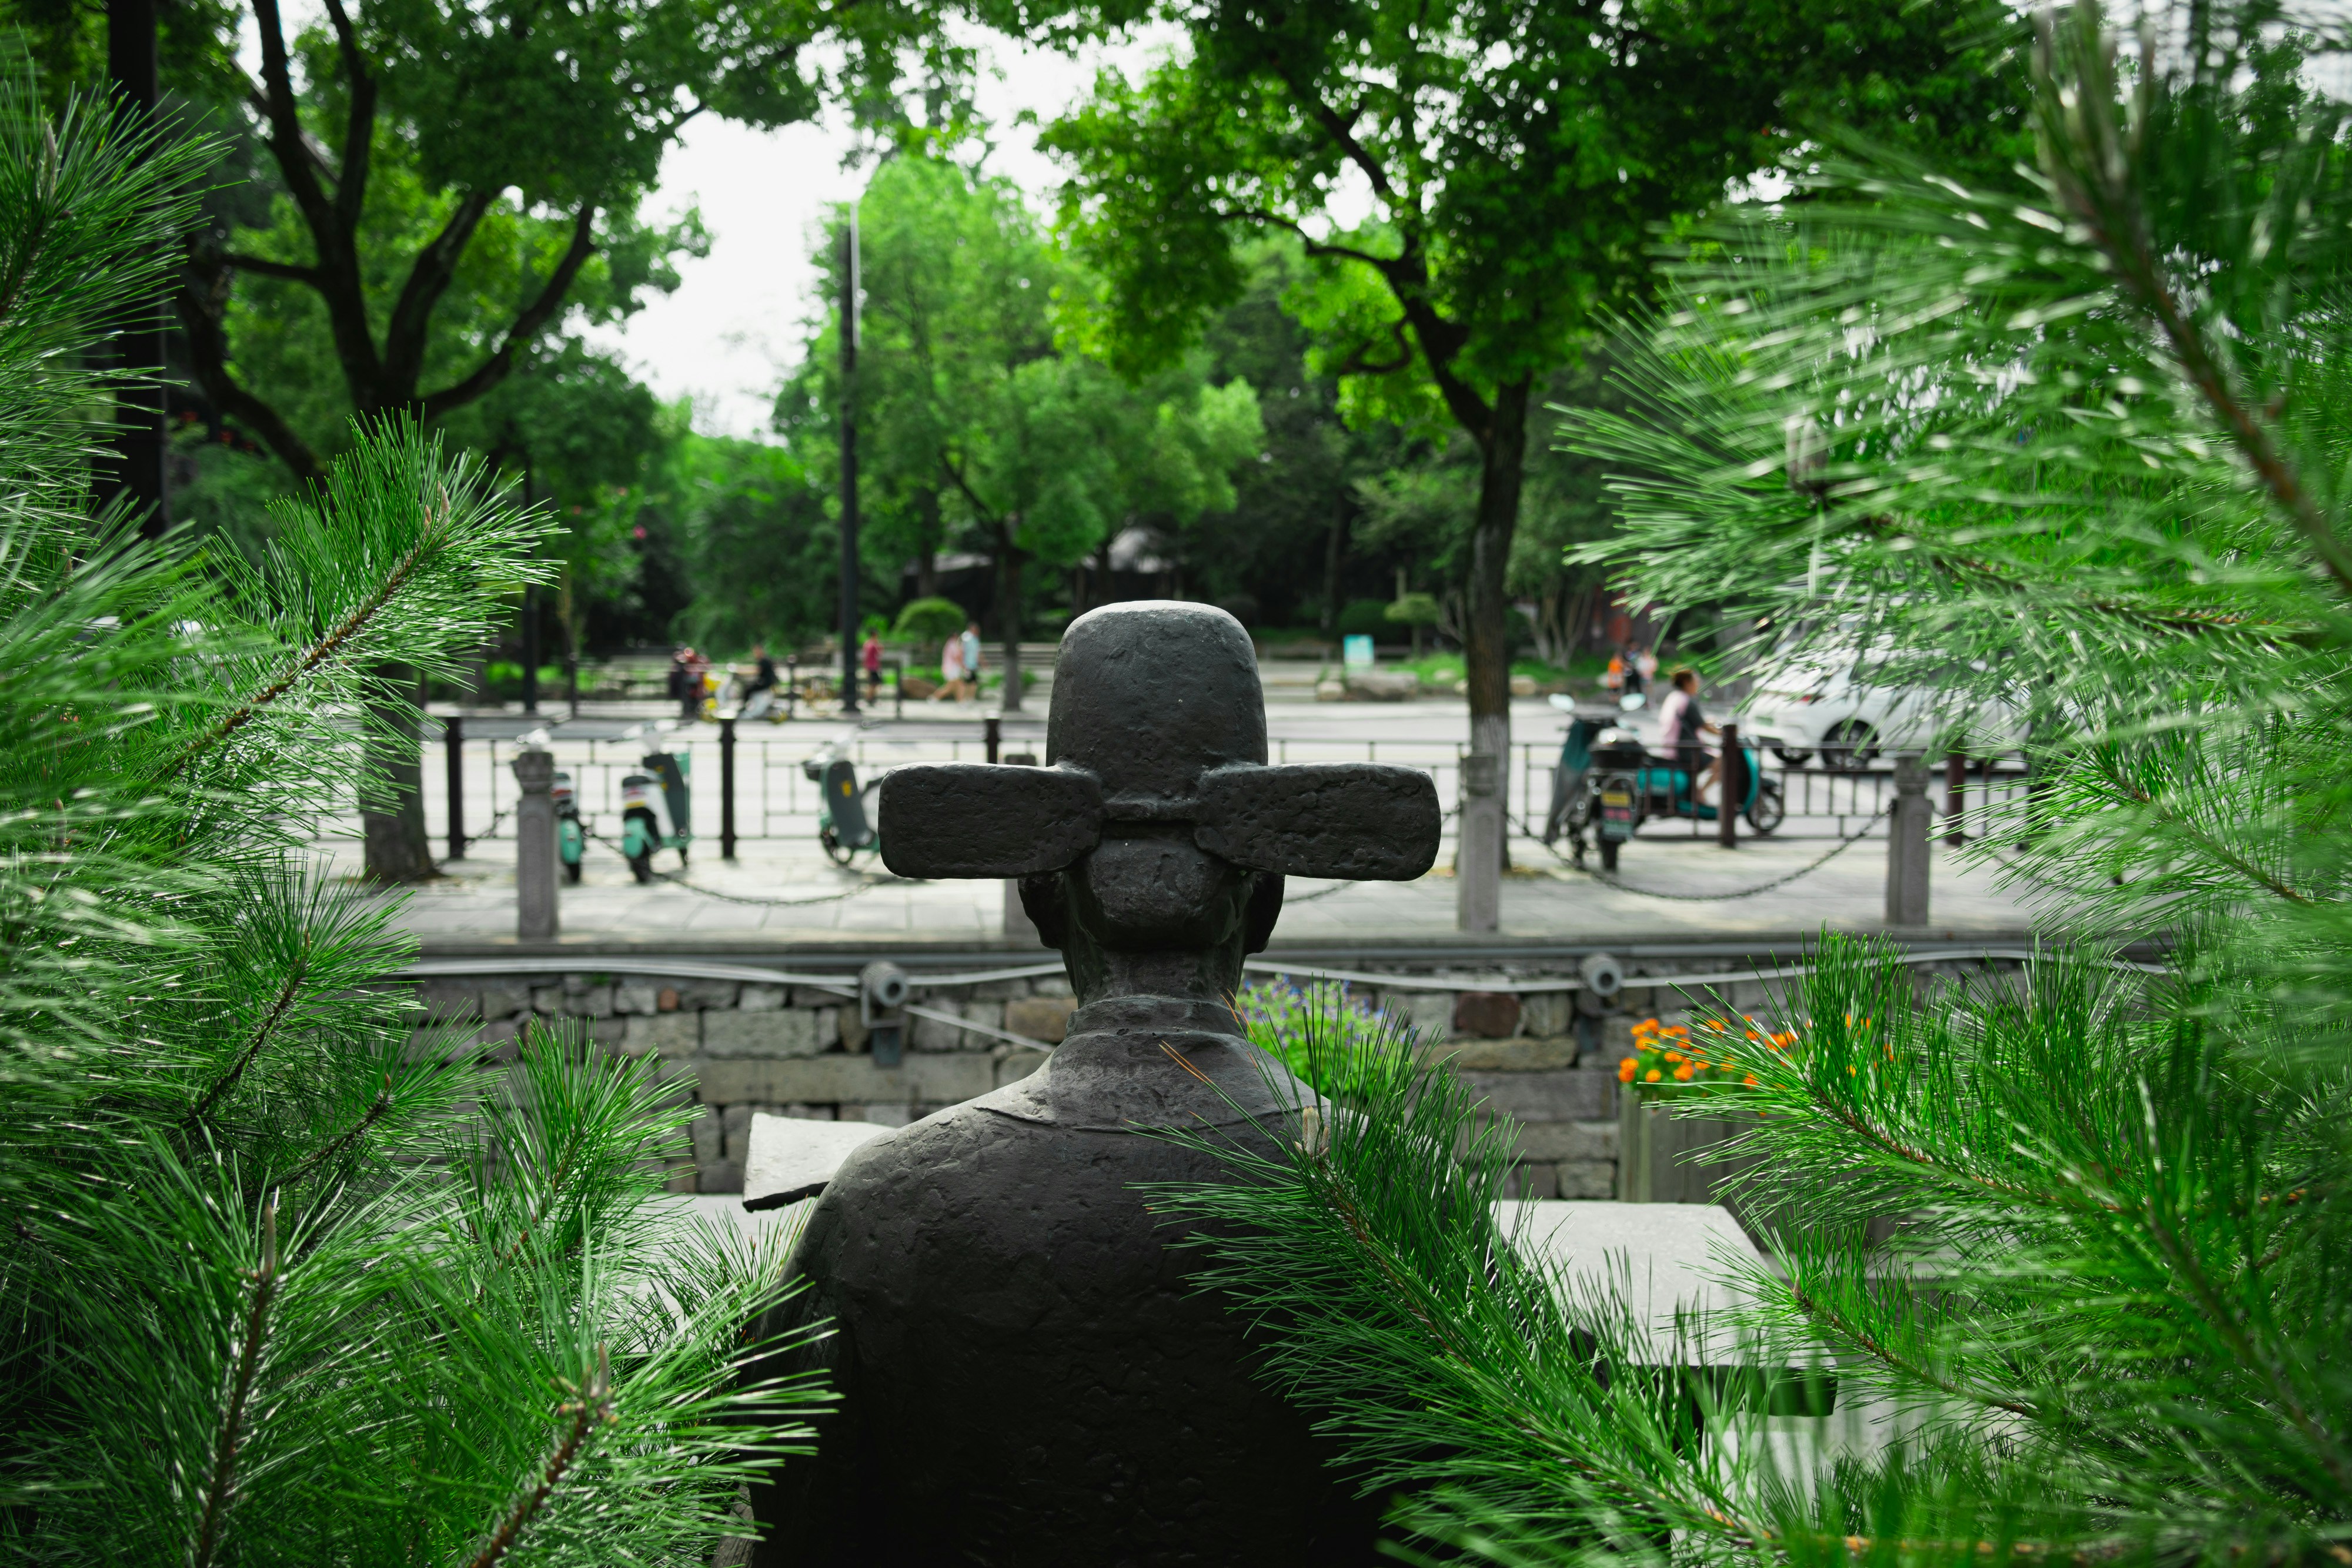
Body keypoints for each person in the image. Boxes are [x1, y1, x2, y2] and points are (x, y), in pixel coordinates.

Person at [1653, 667, 1721, 803]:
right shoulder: (1687, 701)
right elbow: (1703, 725)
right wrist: (1725, 734)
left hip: (1672, 748)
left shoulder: (1674, 697)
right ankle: (1701, 793)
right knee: (1722, 762)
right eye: (1696, 681)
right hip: (1686, 751)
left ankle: (1695, 793)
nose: (1698, 684)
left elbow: (1688, 721)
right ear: (1687, 683)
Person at [932, 628, 964, 701]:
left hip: (952, 669)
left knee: (955, 686)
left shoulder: (951, 644)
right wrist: (963, 666)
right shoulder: (952, 644)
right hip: (951, 669)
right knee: (954, 686)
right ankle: (935, 697)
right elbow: (956, 657)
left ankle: (960, 701)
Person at [960, 621, 983, 701]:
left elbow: (977, 653)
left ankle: (970, 698)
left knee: (973, 682)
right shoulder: (966, 638)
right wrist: (962, 663)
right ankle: (964, 699)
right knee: (966, 683)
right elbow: (962, 651)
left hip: (973, 664)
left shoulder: (975, 639)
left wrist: (982, 662)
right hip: (967, 664)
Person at [861, 629, 883, 704]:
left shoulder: (867, 644)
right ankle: (869, 698)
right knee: (874, 683)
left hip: (869, 666)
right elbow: (880, 653)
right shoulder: (873, 645)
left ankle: (871, 697)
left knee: (873, 683)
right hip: (872, 666)